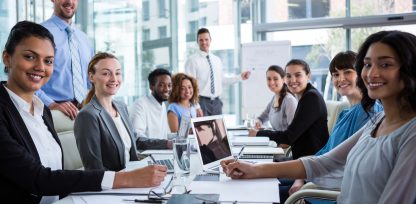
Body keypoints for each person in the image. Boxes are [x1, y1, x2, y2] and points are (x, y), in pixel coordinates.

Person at [222, 30, 416, 203]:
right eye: (367, 65)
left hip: (320, 190)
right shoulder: (378, 122)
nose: (372, 73)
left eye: (385, 64)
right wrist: (253, 169)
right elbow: (325, 161)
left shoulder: (409, 133)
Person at [0, 21, 167, 204]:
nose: (40, 67)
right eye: (30, 57)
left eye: (48, 61)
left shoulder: (43, 111)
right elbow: (37, 178)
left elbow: (57, 175)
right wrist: (127, 179)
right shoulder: (5, 110)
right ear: (7, 58)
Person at [288, 51, 383, 201]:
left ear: (362, 73)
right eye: (335, 74)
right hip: (317, 180)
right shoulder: (344, 113)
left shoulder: (370, 113)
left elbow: (348, 169)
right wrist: (301, 176)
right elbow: (325, 153)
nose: (341, 79)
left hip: (329, 191)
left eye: (347, 72)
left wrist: (304, 179)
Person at [74, 53, 171, 171]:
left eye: (117, 73)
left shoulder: (121, 107)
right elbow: (94, 170)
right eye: (106, 73)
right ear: (91, 77)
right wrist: (131, 178)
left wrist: (168, 144)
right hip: (114, 185)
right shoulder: (87, 116)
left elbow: (136, 141)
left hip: (131, 174)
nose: (114, 79)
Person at [249, 59, 329, 160]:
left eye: (298, 75)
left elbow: (289, 137)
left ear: (308, 75)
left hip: (312, 161)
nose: (292, 80)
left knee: (256, 165)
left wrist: (258, 133)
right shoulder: (304, 96)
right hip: (304, 158)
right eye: (289, 76)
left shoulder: (311, 98)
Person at [37, 0, 94, 120]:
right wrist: (51, 104)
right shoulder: (39, 34)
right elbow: (28, 79)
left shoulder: (84, 39)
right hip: (52, 112)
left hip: (84, 111)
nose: (69, 1)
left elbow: (90, 80)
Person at [185, 28, 251, 116]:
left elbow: (222, 81)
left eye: (206, 39)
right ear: (197, 41)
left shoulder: (217, 60)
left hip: (217, 103)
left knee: (218, 129)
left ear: (210, 40)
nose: (204, 42)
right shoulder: (192, 61)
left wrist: (240, 77)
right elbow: (190, 86)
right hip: (201, 102)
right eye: (201, 40)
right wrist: (196, 106)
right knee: (203, 129)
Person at [254, 65, 298, 148]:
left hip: (285, 148)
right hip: (276, 144)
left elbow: (292, 134)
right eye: (269, 79)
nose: (271, 82)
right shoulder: (274, 98)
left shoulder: (289, 100)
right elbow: (262, 117)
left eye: (275, 79)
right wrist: (258, 122)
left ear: (283, 79)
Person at [129, 68, 172, 141]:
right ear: (151, 86)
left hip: (161, 150)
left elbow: (165, 135)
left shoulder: (162, 105)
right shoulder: (140, 104)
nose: (167, 89)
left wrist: (181, 136)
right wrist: (165, 144)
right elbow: (137, 137)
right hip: (146, 152)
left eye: (169, 85)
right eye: (161, 85)